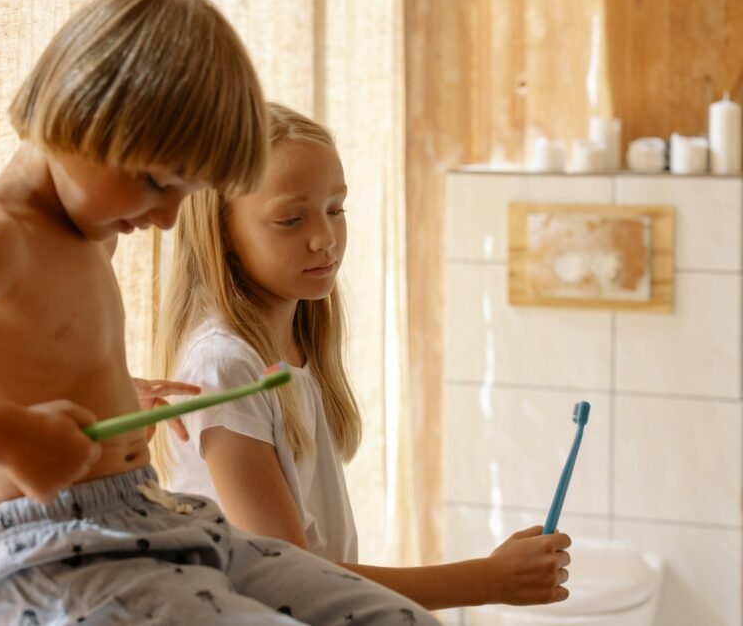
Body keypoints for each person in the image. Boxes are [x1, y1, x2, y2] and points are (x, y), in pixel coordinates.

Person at [0, 0, 439, 625]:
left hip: (147, 514)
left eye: (186, 191)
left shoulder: (87, 231)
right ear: (82, 112)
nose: (165, 217)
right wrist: (14, 438)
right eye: (157, 182)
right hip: (53, 554)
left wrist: (117, 395)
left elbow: (27, 353)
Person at [152, 101, 572, 610]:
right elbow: (287, 578)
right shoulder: (224, 366)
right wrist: (484, 581)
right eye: (290, 219)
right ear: (222, 234)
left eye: (336, 209)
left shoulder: (296, 347)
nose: (324, 239)